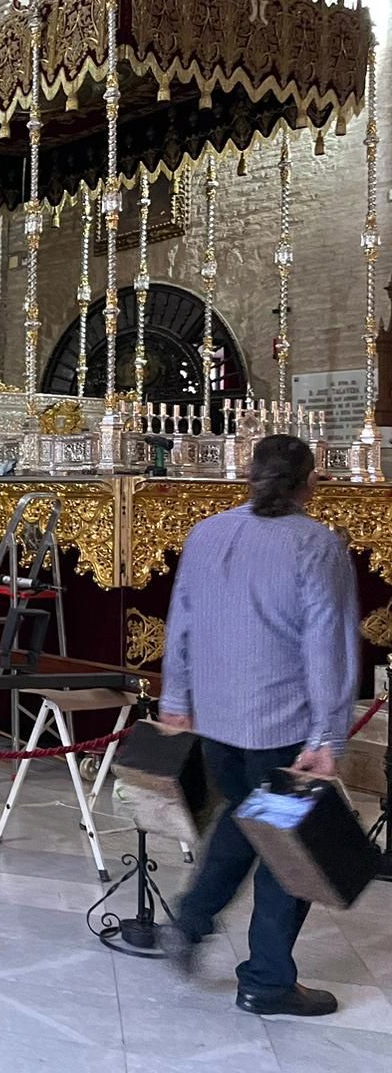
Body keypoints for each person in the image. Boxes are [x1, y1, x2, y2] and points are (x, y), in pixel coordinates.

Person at [160, 433, 359, 1017]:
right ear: (310, 482)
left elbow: (182, 623)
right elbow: (329, 646)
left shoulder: (208, 532)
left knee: (244, 818)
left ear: (250, 475)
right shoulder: (316, 544)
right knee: (288, 849)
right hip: (285, 725)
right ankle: (267, 980)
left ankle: (192, 920)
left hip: (219, 719)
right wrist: (328, 737)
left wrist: (177, 698)